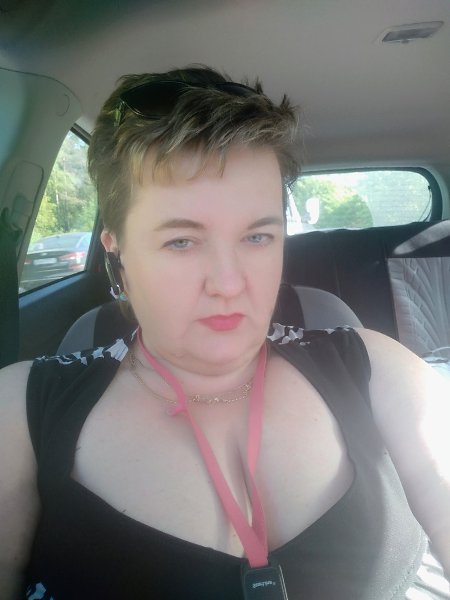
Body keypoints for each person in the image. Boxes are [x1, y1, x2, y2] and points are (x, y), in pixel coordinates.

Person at [0, 66, 449, 600]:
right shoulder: (22, 410)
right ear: (116, 246)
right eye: (182, 242)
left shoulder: (377, 368)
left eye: (257, 237)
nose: (230, 284)